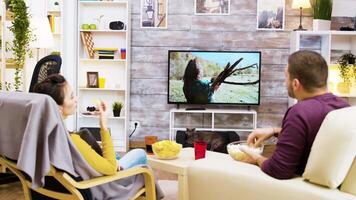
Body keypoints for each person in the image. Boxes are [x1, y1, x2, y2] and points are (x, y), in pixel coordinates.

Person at [241, 50, 349, 179]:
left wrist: (255, 158)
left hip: (301, 190)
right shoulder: (344, 107)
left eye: (286, 77)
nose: (284, 82)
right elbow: (317, 135)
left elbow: (278, 170)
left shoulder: (299, 112)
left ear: (295, 84)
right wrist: (275, 131)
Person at [33, 74, 147, 175]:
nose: (76, 99)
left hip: (80, 179)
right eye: (71, 97)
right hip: (101, 187)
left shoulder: (39, 135)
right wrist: (103, 126)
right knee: (140, 153)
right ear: (58, 109)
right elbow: (111, 169)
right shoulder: (72, 141)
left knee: (114, 154)